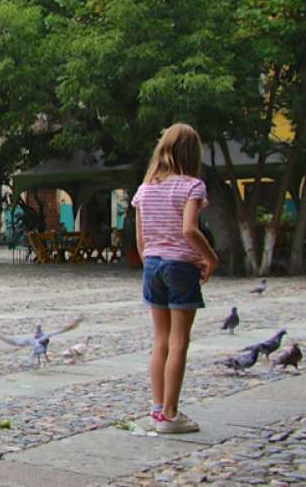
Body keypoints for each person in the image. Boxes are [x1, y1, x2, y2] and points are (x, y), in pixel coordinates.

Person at [131, 123, 218, 434]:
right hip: (181, 267)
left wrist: (151, 261)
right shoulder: (193, 186)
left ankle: (157, 409)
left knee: (160, 341)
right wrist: (210, 258)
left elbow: (140, 241)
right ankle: (171, 414)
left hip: (152, 265)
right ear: (192, 153)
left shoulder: (144, 189)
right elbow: (189, 230)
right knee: (179, 341)